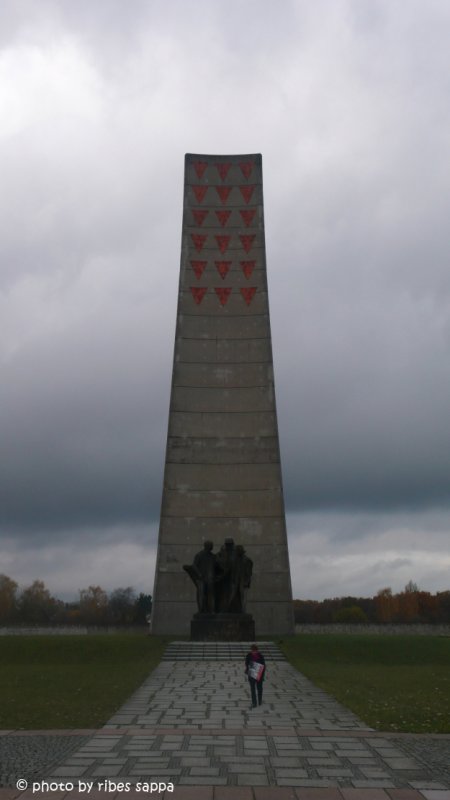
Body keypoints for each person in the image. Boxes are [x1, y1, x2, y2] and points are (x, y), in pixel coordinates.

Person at [245, 643, 266, 708]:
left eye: (255, 651)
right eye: (253, 651)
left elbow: (263, 665)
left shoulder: (260, 655)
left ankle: (259, 700)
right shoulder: (249, 655)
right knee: (253, 689)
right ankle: (255, 702)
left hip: (258, 674)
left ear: (257, 650)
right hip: (253, 674)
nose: (254, 652)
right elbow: (246, 663)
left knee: (259, 688)